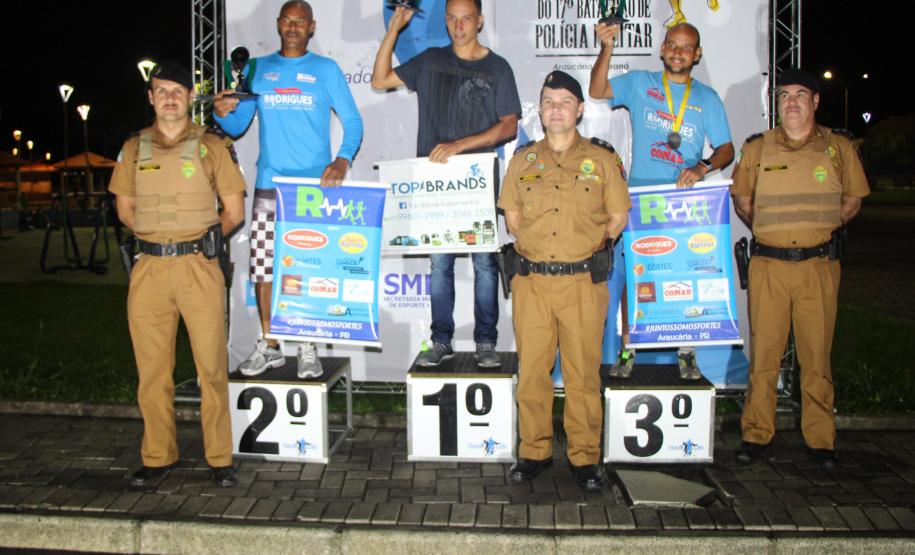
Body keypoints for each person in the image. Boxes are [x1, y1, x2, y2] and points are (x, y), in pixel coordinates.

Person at [109, 61, 246, 487]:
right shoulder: (133, 148)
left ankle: (219, 458)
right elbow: (125, 211)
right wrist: (158, 238)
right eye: (162, 90)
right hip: (149, 269)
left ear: (190, 97)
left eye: (178, 91)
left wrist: (202, 240)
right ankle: (157, 457)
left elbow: (234, 211)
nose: (170, 98)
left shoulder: (212, 145)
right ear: (151, 97)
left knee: (211, 369)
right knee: (152, 373)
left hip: (197, 268)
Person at [215, 0, 363, 379]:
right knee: (264, 266)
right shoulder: (255, 69)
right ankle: (270, 344)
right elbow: (237, 126)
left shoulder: (326, 69)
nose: (293, 27)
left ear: (311, 27)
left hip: (312, 190)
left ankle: (307, 345)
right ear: (278, 24)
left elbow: (353, 121)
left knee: (308, 267)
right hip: (269, 183)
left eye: (301, 21)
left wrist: (342, 160)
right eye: (287, 20)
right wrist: (222, 111)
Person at [730, 68, 868, 470]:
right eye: (785, 95)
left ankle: (821, 439)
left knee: (816, 357)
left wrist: (819, 231)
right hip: (769, 267)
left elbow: (853, 200)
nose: (791, 102)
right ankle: (756, 433)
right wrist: (771, 230)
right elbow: (742, 199)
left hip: (818, 268)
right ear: (777, 102)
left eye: (801, 94)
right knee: (764, 356)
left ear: (816, 101)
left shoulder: (839, 147)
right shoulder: (757, 147)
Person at [371, 0, 521, 368]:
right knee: (440, 266)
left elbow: (509, 126)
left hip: (476, 182)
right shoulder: (430, 60)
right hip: (434, 184)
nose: (458, 25)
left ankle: (486, 341)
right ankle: (441, 340)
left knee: (485, 265)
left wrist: (460, 146)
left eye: (466, 18)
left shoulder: (498, 67)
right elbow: (379, 80)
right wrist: (394, 28)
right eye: (452, 17)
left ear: (479, 21)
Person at [499, 71, 631, 489]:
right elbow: (514, 220)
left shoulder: (603, 160)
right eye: (548, 101)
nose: (556, 109)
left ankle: (585, 456)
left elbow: (617, 219)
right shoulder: (522, 161)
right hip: (533, 284)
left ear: (579, 109)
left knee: (582, 375)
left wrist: (582, 248)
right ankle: (533, 450)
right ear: (540, 111)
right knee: (533, 374)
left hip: (582, 285)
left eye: (565, 101)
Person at [589, 21, 735, 380]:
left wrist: (702, 166)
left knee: (686, 274)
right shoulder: (641, 83)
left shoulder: (707, 98)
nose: (677, 52)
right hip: (641, 199)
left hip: (686, 203)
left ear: (697, 54)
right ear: (662, 49)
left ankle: (687, 352)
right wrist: (607, 47)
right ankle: (628, 348)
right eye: (672, 44)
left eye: (686, 47)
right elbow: (596, 89)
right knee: (638, 275)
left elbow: (727, 149)